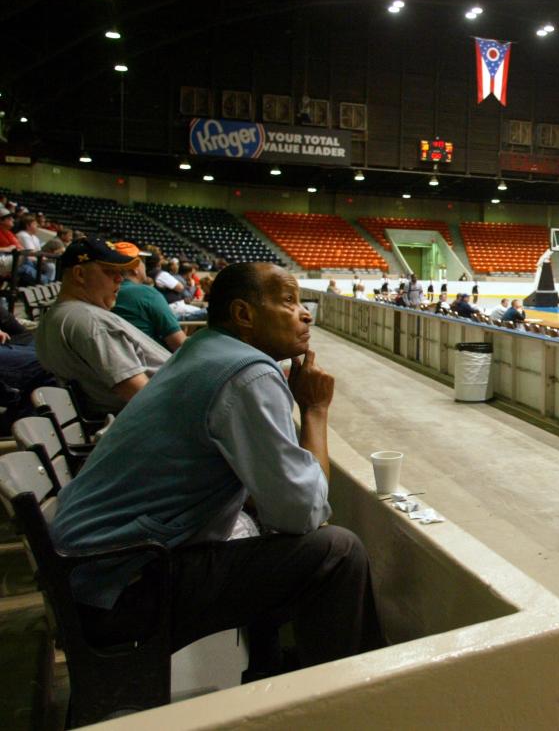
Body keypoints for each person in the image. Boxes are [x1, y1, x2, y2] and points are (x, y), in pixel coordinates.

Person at [49, 262, 384, 678]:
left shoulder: (203, 348)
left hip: (83, 575)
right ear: (244, 314)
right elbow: (303, 513)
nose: (305, 313)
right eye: (288, 301)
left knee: (262, 529)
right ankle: (346, 700)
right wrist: (314, 411)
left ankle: (271, 670)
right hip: (119, 589)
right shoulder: (248, 373)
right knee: (338, 552)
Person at [34, 238, 171, 418]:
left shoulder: (57, 314)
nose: (120, 279)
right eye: (110, 271)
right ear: (80, 274)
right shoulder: (91, 322)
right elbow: (141, 396)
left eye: (121, 272)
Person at [111, 241, 188, 351]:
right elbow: (179, 343)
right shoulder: (146, 293)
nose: (145, 265)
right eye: (142, 261)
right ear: (134, 267)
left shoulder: (102, 293)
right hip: (154, 362)